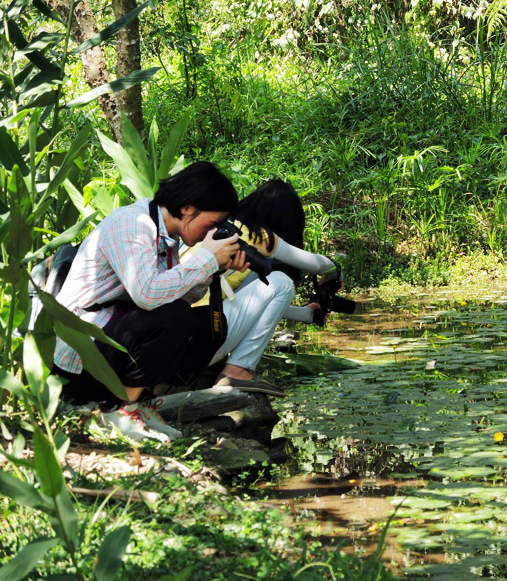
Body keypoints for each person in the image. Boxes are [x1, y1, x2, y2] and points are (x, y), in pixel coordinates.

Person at [53, 161, 248, 440]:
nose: (213, 233)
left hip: (107, 345)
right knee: (175, 316)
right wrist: (206, 259)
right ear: (188, 209)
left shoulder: (164, 235)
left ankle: (140, 403)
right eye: (214, 223)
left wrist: (214, 269)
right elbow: (147, 295)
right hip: (78, 359)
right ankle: (119, 411)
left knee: (206, 325)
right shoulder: (133, 225)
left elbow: (176, 295)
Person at [188, 178, 343, 394]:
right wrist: (336, 272)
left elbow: (241, 301)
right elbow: (317, 265)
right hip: (199, 344)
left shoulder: (221, 230)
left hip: (180, 341)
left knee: (270, 282)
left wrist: (306, 315)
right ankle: (237, 371)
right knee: (281, 282)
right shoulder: (255, 234)